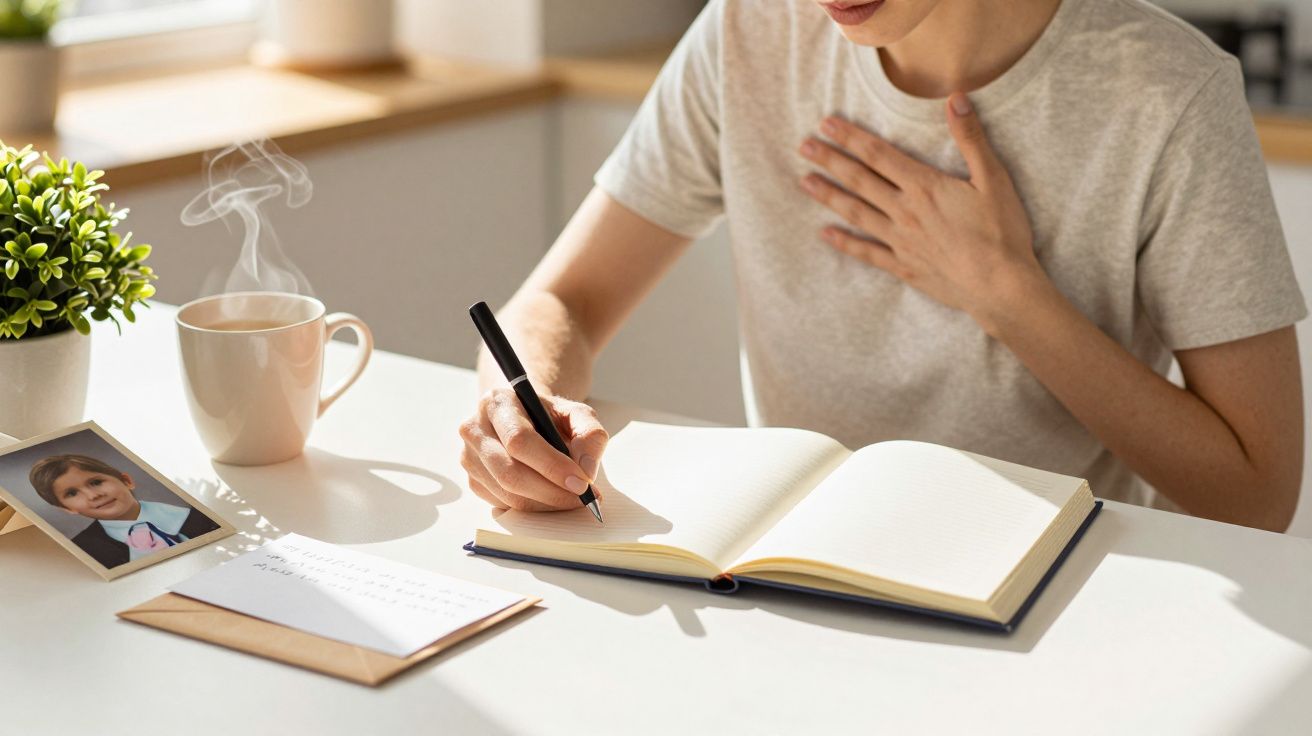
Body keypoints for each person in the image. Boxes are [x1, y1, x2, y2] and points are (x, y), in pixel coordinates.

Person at [459, 0, 1307, 531]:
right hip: (794, 580)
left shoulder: (1169, 94)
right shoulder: (746, 31)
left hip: (1064, 606)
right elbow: (568, 296)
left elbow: (1256, 497)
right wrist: (524, 405)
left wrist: (1010, 298)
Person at [30, 454, 218, 568]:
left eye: (96, 482)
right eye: (72, 493)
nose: (93, 495)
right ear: (67, 508)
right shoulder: (84, 550)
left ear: (126, 481)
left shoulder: (200, 516)